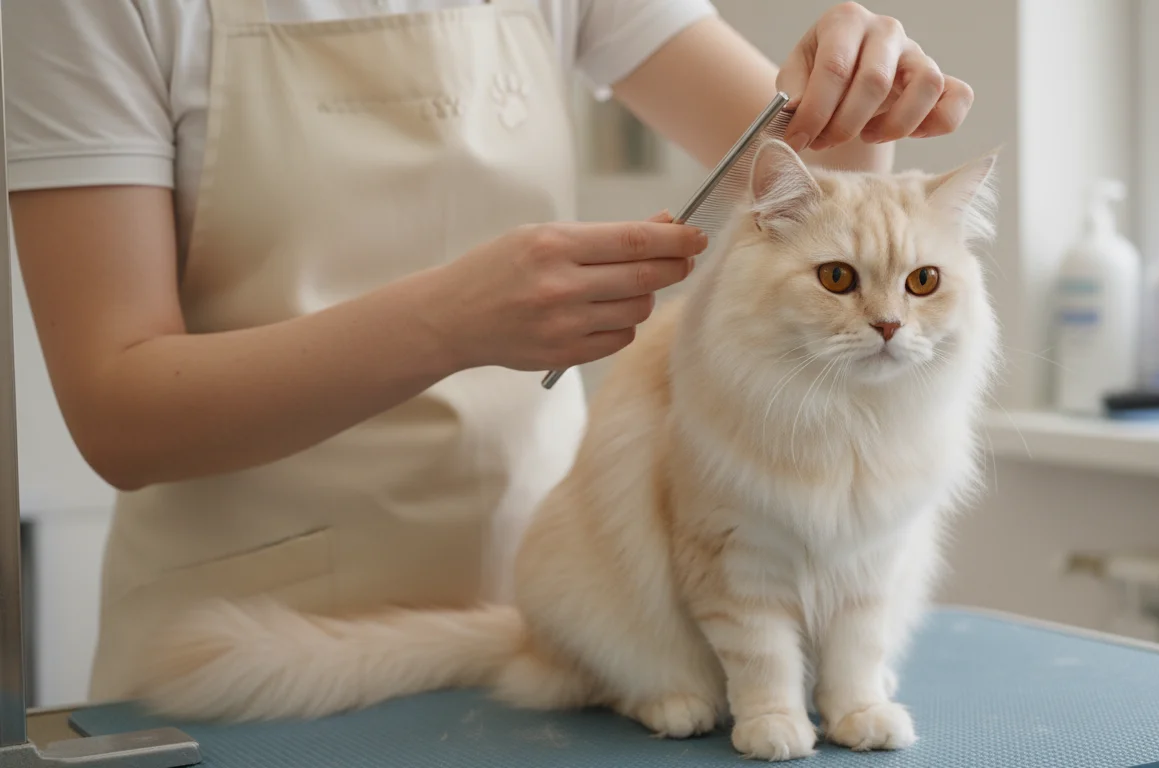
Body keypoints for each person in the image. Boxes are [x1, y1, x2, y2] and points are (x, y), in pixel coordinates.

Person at [4, 0, 974, 703]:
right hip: (241, 643)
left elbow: (813, 184)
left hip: (564, 616)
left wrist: (859, 92)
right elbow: (117, 412)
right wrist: (448, 322)